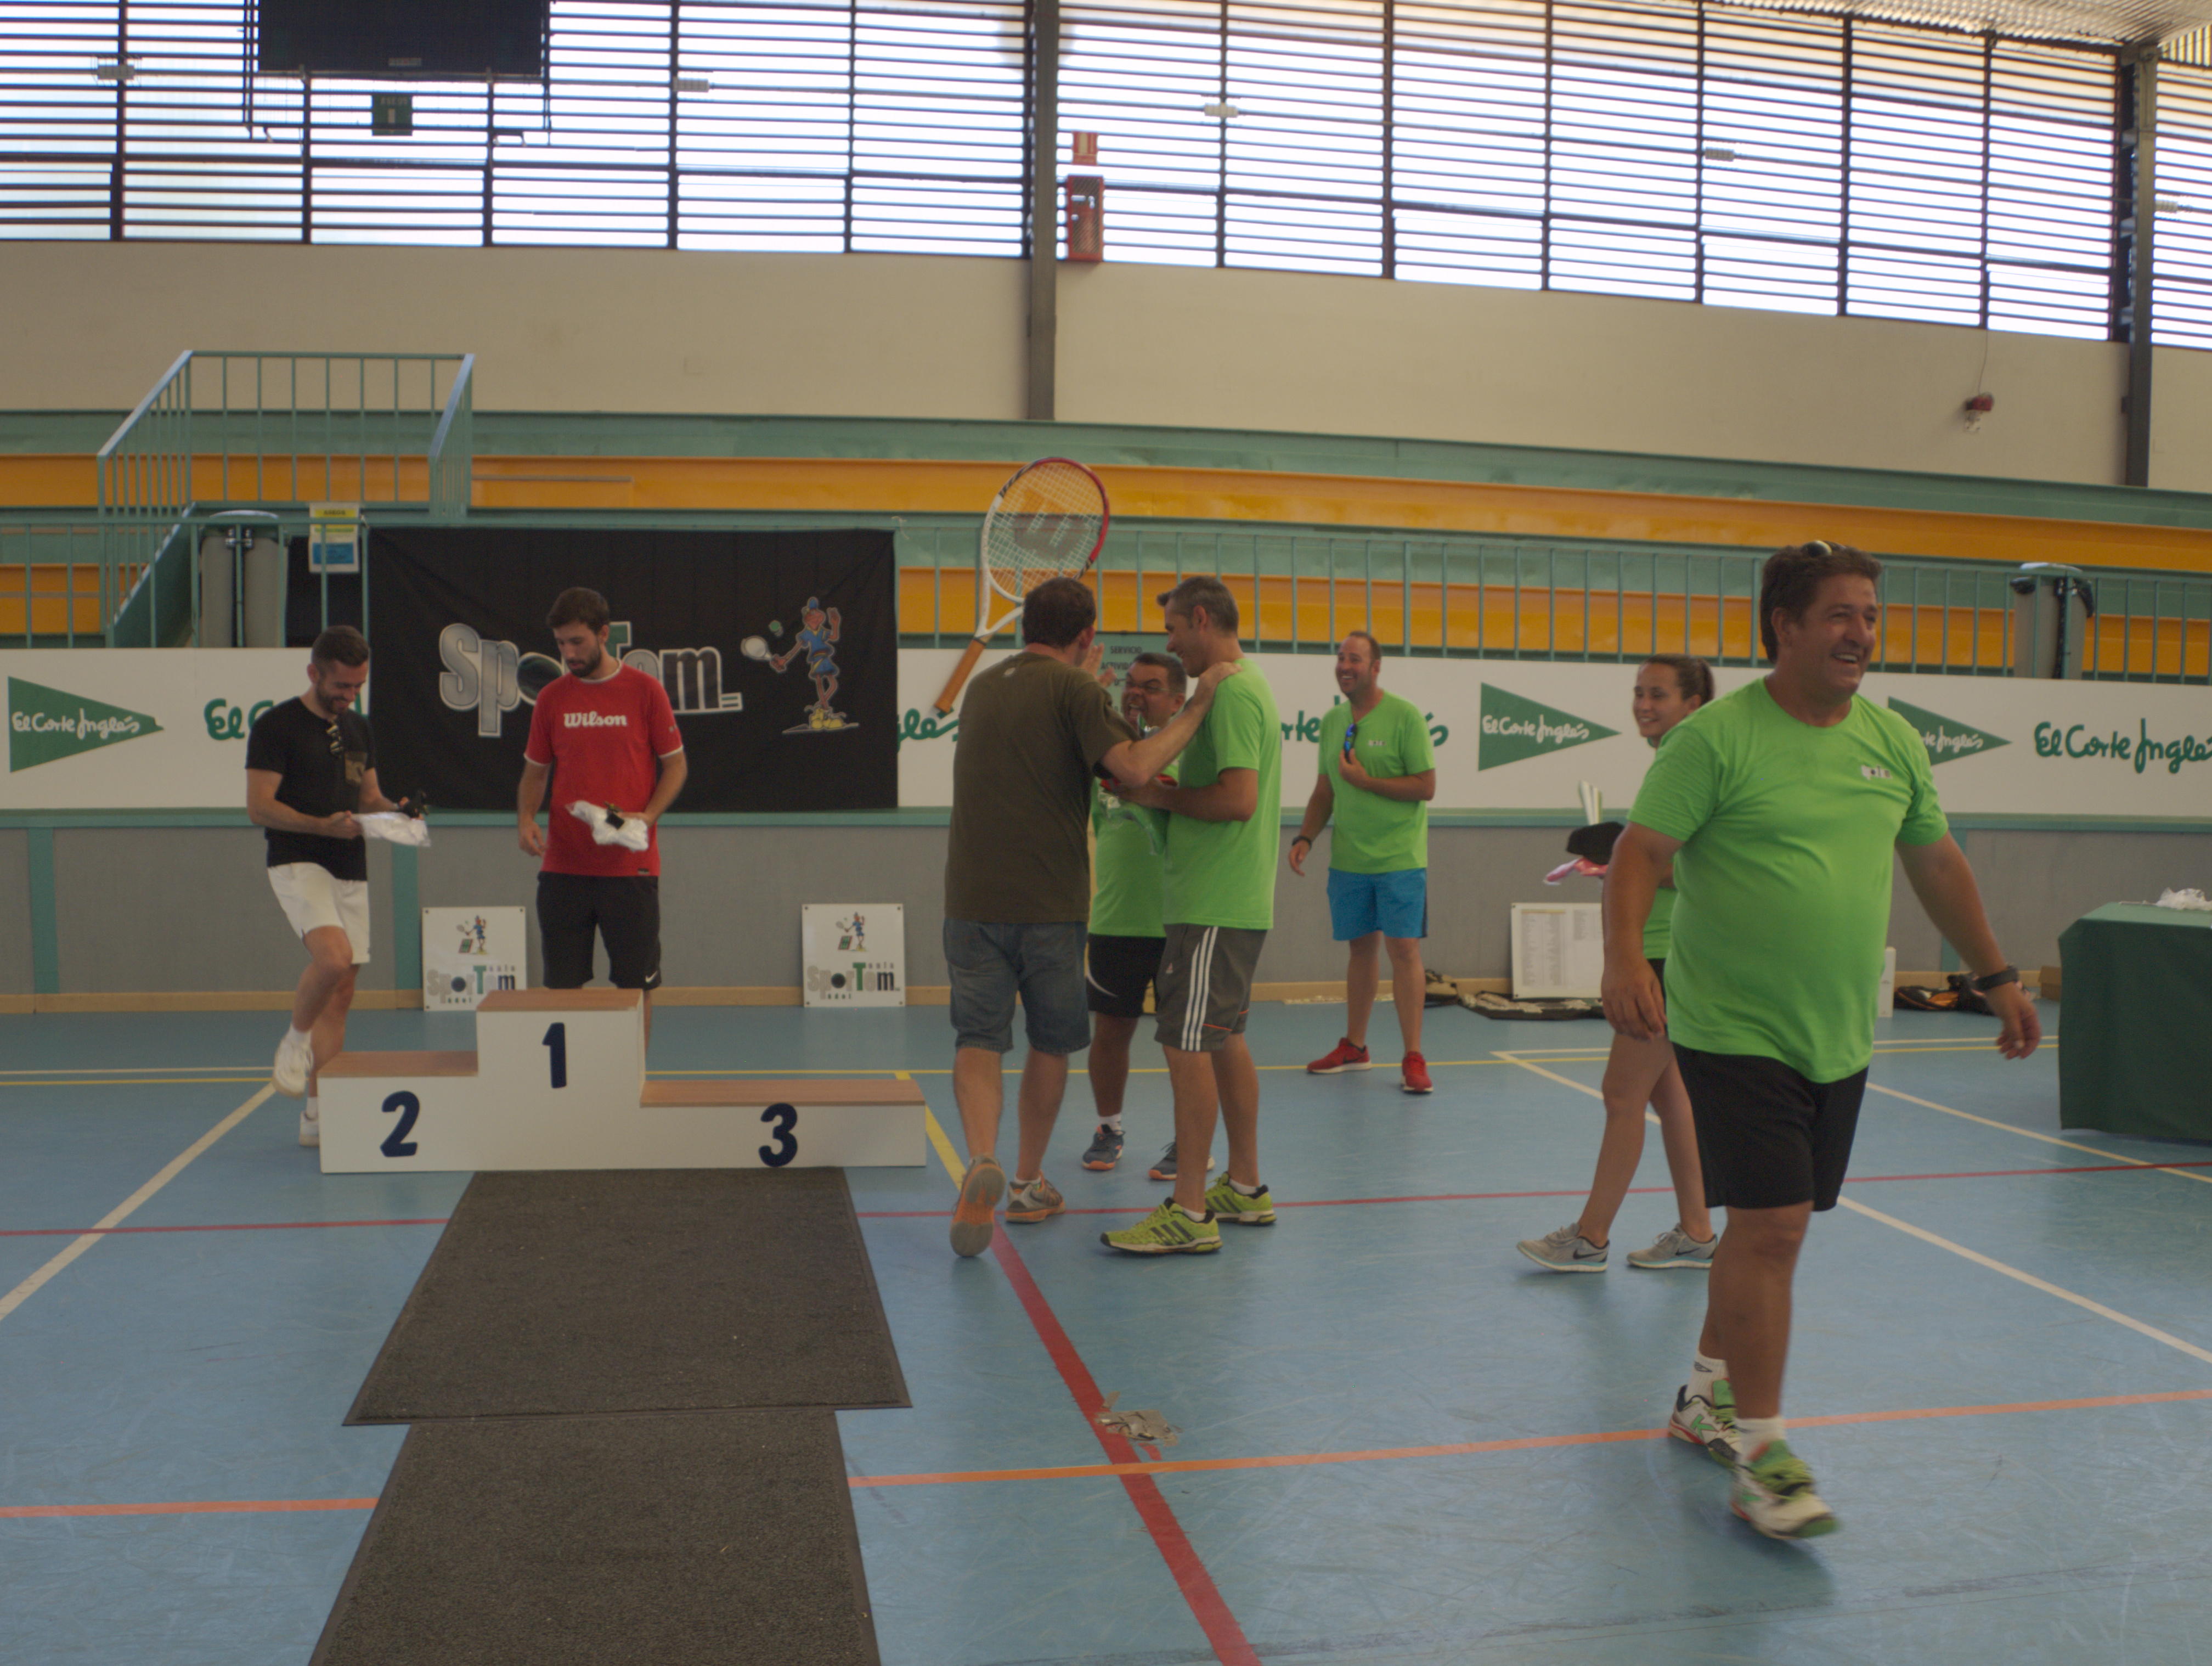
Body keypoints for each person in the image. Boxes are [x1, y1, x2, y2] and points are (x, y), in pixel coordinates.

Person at [1602, 541, 2041, 1541]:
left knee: (1768, 1229)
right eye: (1841, 614)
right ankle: (1763, 1458)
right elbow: (1641, 852)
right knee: (1773, 1227)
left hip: (1837, 1032)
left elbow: (1936, 863)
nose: (1861, 633)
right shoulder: (1713, 740)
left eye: (1870, 615)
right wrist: (1624, 959)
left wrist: (1997, 975)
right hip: (1730, 1025)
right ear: (1785, 627)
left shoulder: (1892, 741)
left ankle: (1706, 1392)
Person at [944, 578, 1232, 1258]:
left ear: (1027, 628)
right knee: (1049, 1044)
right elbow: (1131, 768)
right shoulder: (1075, 691)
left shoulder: (982, 687)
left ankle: (981, 1156)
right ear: (1086, 637)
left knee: (978, 1038)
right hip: (1048, 904)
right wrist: (1198, 705)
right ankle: (1025, 1183)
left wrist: (1088, 700)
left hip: (970, 900)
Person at [1519, 655, 1719, 1273]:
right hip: (1662, 949)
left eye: (1658, 694)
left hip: (1667, 956)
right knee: (1669, 1097)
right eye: (1638, 692)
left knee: (1620, 1094)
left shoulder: (1697, 764)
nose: (1643, 704)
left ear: (1693, 704)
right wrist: (1623, 869)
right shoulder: (1673, 760)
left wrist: (1628, 869)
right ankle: (1697, 1232)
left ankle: (1590, 1238)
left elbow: (1701, 866)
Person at [1103, 576, 1282, 1256]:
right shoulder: (1243, 687)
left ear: (1202, 619)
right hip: (1226, 901)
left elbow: (1238, 799)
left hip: (1212, 905)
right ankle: (1247, 1186)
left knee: (1187, 1047)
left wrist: (1159, 798)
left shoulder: (1230, 692)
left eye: (1175, 629)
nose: (1172, 645)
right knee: (1225, 1040)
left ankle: (1190, 1210)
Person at [246, 626, 408, 1146]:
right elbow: (259, 807)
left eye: (358, 686)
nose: (349, 696)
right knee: (333, 960)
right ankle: (294, 1041)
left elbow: (370, 797)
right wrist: (321, 826)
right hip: (298, 859)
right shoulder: (276, 726)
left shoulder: (359, 727)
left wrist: (399, 813)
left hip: (350, 864)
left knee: (341, 995)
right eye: (341, 686)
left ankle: (318, 1116)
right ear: (314, 672)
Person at [516, 588, 688, 1046]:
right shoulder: (551, 699)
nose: (569, 653)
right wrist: (526, 818)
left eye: (577, 642)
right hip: (564, 867)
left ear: (604, 634)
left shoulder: (645, 691)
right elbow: (536, 773)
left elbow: (676, 766)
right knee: (563, 988)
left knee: (635, 988)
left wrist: (647, 816)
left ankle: (633, 1080)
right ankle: (571, 1082)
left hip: (630, 869)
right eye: (561, 644)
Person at [1290, 632, 1438, 1094]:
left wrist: (1368, 782)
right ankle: (1355, 1048)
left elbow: (1426, 786)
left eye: (1354, 658)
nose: (1344, 666)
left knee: (1404, 951)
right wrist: (1305, 837)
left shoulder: (1405, 717)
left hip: (1399, 859)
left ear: (1376, 667)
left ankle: (1413, 1056)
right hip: (1350, 861)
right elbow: (1325, 791)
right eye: (1340, 658)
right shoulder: (1332, 721)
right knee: (1360, 952)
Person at [1079, 651, 1198, 1179]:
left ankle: (1190, 1140)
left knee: (1184, 1044)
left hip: (1177, 923)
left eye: (1150, 687)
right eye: (1131, 684)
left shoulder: (1192, 760)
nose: (1136, 694)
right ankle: (1109, 1128)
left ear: (1177, 702)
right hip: (1115, 922)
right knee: (1110, 1032)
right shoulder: (1107, 762)